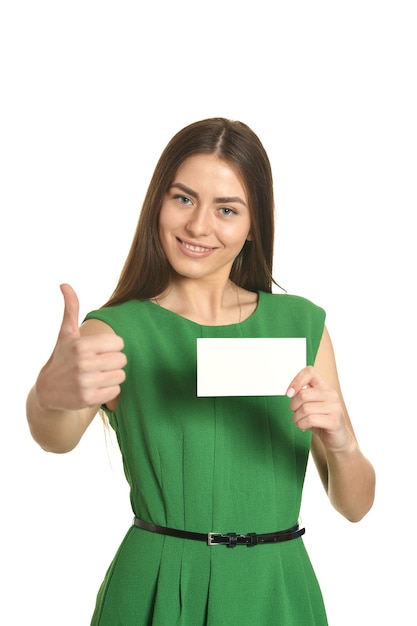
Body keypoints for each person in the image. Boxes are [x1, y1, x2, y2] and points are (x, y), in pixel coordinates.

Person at [26, 117, 375, 625]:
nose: (198, 226)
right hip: (157, 589)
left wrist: (342, 441)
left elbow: (356, 506)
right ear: (157, 203)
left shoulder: (302, 326)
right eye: (183, 199)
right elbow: (54, 436)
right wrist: (47, 395)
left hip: (276, 594)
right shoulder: (117, 330)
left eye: (226, 209)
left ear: (254, 224)